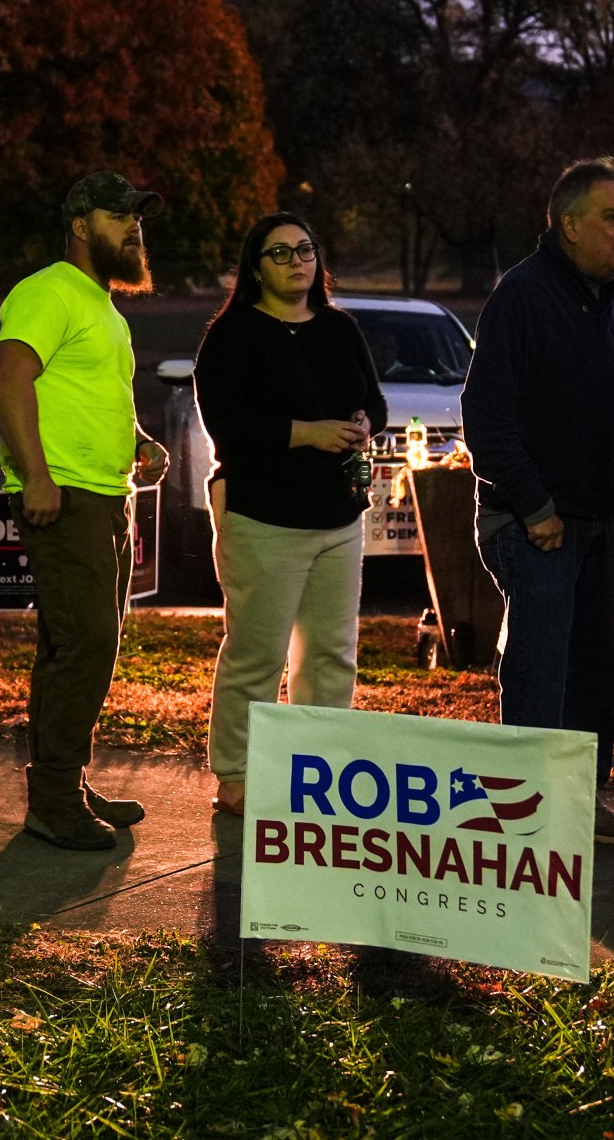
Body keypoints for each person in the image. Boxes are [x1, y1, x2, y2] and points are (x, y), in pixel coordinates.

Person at [462, 157, 614, 845]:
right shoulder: (525, 295)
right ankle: (528, 825)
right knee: (541, 672)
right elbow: (485, 414)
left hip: (595, 517)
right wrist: (535, 505)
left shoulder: (603, 299)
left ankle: (579, 808)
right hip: (540, 521)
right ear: (569, 224)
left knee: (592, 671)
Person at [0, 171, 171, 849]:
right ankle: (55, 799)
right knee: (88, 641)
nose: (133, 228)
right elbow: (11, 379)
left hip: (104, 492)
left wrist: (138, 443)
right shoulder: (48, 291)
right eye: (118, 216)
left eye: (138, 219)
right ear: (79, 225)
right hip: (62, 493)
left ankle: (62, 780)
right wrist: (36, 475)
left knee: (76, 646)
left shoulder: (105, 308)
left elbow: (86, 394)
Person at [192, 212, 388, 816]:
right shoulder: (234, 336)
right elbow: (229, 425)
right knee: (257, 653)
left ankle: (319, 772)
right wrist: (308, 433)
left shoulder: (339, 329)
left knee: (331, 654)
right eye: (280, 253)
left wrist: (360, 426)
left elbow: (375, 405)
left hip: (338, 518)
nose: (298, 261)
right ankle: (238, 775)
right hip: (266, 519)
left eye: (305, 249)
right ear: (255, 269)